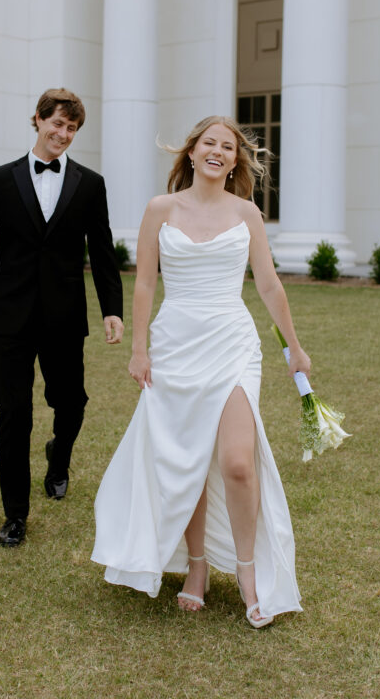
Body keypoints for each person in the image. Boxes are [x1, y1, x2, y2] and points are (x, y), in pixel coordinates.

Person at [91, 116, 311, 628]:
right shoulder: (160, 209)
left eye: (227, 146)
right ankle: (195, 568)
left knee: (237, 462)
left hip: (232, 342)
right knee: (184, 459)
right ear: (191, 153)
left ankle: (250, 573)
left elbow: (270, 285)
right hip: (173, 345)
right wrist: (139, 349)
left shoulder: (247, 213)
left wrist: (294, 349)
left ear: (235, 160)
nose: (217, 151)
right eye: (208, 143)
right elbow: (145, 284)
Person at [0, 88, 124, 547]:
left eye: (72, 128)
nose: (63, 134)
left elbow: (102, 253)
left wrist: (112, 311)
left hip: (65, 316)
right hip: (9, 317)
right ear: (38, 120)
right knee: (13, 413)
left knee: (72, 401)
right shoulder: (1, 179)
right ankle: (15, 515)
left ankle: (58, 457)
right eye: (57, 124)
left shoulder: (90, 183)